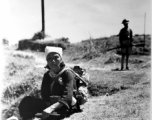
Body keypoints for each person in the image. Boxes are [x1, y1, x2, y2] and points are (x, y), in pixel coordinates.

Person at [19, 46, 77, 120]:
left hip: (63, 106)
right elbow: (44, 94)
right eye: (49, 58)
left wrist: (50, 109)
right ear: (47, 61)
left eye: (56, 57)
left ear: (61, 59)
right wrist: (47, 105)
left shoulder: (67, 73)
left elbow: (67, 97)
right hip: (50, 104)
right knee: (26, 101)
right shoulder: (47, 75)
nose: (53, 61)